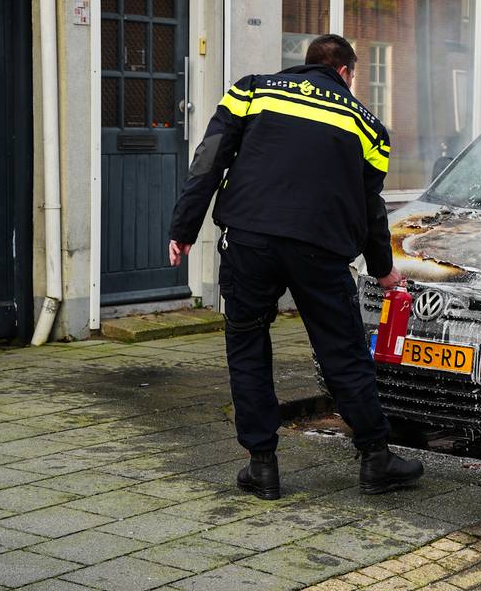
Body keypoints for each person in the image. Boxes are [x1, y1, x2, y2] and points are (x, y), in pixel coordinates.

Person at [167, 34, 423, 498]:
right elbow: (371, 209)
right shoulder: (368, 126)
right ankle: (375, 459)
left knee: (247, 346)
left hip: (249, 241)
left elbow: (209, 161)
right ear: (346, 73)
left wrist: (183, 230)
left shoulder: (252, 90)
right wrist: (384, 269)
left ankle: (262, 467)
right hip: (320, 250)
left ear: (304, 66)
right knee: (342, 351)